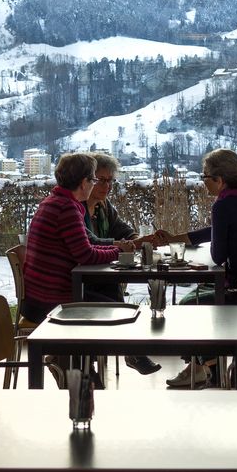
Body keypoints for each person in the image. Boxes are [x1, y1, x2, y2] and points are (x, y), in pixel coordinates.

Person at [157, 148, 237, 387]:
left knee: (188, 305)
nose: (203, 181)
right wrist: (176, 237)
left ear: (219, 180)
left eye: (204, 176)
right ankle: (204, 367)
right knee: (195, 297)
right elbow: (217, 232)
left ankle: (204, 366)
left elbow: (217, 256)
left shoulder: (223, 206)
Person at [22, 152, 126, 325]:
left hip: (36, 297)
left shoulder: (53, 201)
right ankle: (95, 349)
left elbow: (86, 246)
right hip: (51, 302)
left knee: (110, 288)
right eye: (93, 180)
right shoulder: (67, 208)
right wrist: (120, 252)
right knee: (118, 309)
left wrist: (117, 250)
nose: (94, 184)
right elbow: (86, 255)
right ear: (83, 183)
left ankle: (92, 351)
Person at [82, 152, 162, 375]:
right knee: (113, 300)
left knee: (113, 291)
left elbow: (122, 229)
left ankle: (127, 351)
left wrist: (139, 238)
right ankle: (128, 351)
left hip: (100, 275)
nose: (107, 186)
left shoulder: (103, 206)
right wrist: (133, 243)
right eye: (101, 180)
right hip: (78, 280)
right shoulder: (77, 208)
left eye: (110, 180)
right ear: (86, 179)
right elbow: (91, 241)